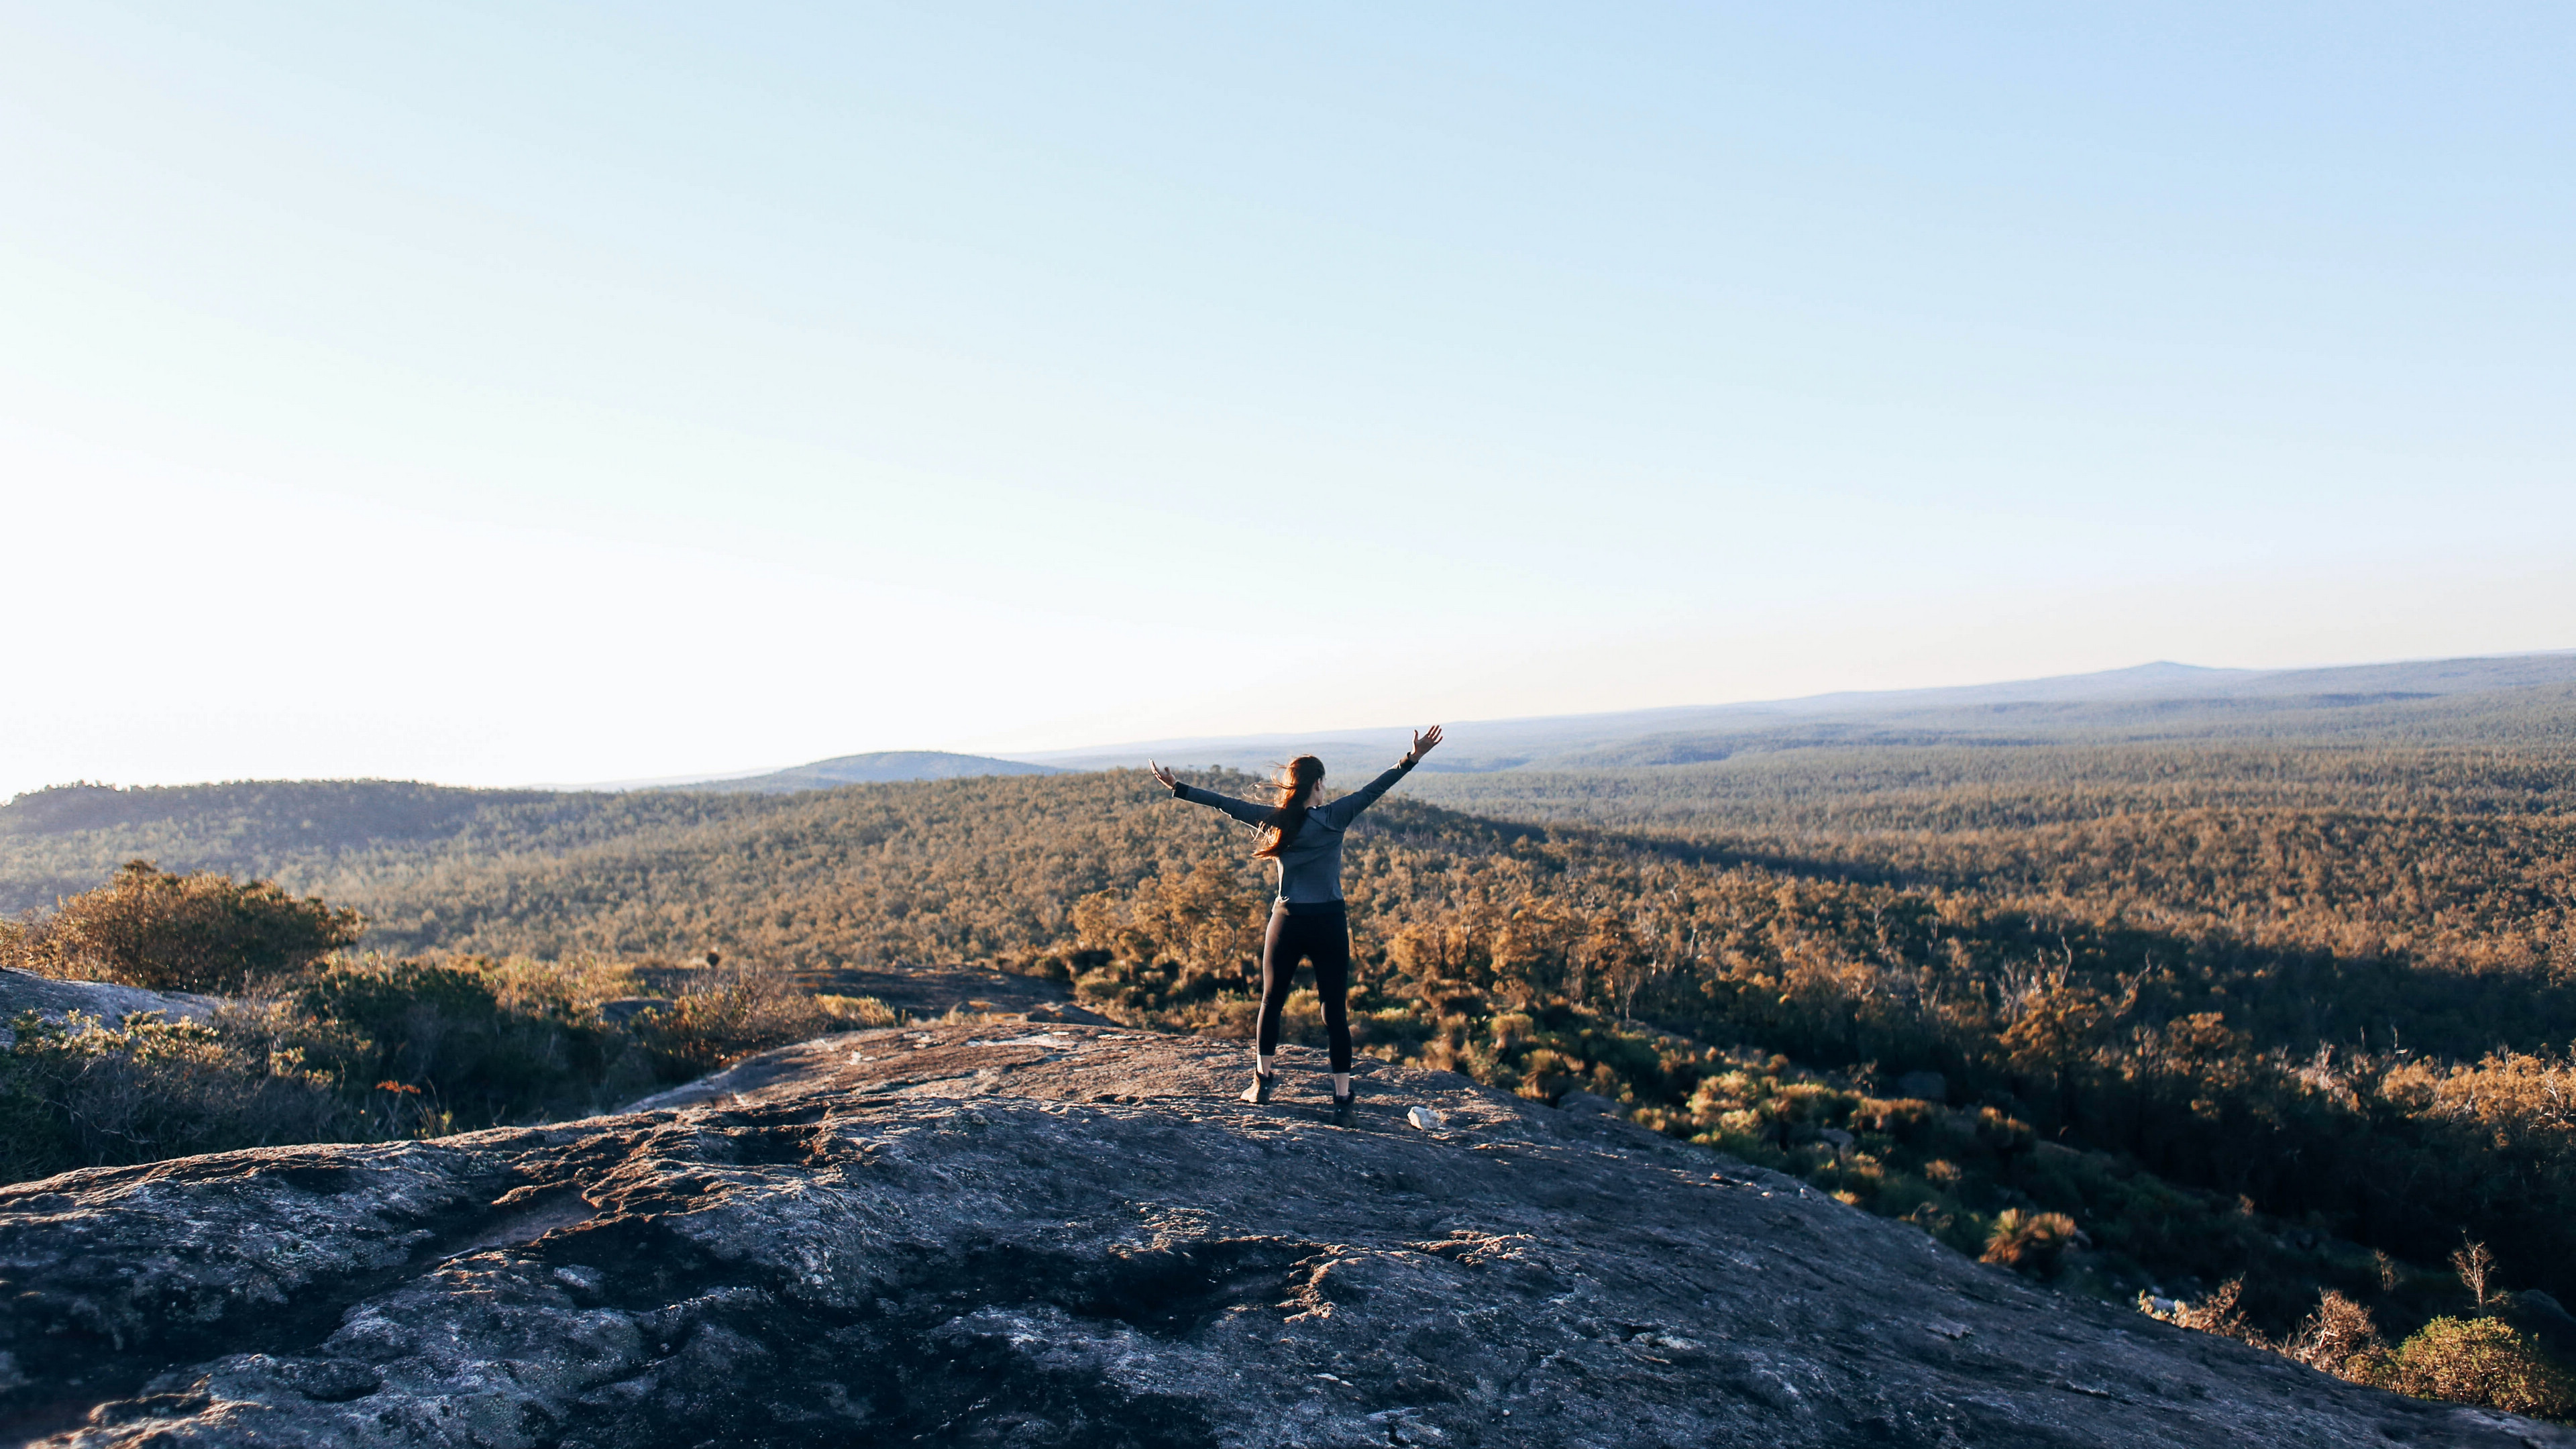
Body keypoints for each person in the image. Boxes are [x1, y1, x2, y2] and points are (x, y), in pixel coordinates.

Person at [1148, 727, 1443, 1122]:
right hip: (1329, 923)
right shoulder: (1336, 815)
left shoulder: (1275, 819)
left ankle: (1262, 1084)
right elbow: (1376, 788)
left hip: (1287, 922)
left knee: (1272, 1002)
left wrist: (1178, 787)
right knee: (1334, 1012)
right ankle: (1342, 1102)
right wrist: (1412, 758)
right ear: (1318, 784)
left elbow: (1224, 803)